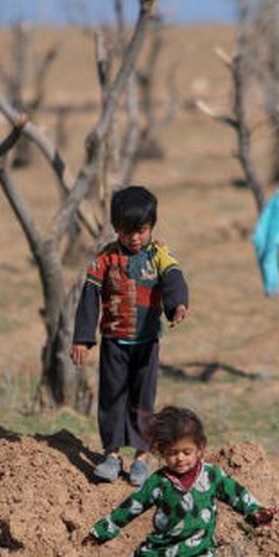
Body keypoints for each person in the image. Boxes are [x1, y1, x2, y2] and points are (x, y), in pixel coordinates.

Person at [82, 406, 276, 557]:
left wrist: (256, 512)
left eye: (187, 451)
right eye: (173, 453)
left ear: (200, 448)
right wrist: (101, 532)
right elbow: (130, 508)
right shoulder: (158, 482)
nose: (180, 458)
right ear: (162, 452)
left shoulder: (212, 476)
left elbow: (237, 494)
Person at [72, 185, 190, 486]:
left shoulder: (159, 254)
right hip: (114, 341)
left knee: (143, 400)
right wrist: (83, 339)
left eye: (142, 230)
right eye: (127, 232)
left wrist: (177, 305)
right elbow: (89, 297)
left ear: (151, 227)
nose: (135, 238)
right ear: (116, 229)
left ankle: (140, 457)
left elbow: (174, 279)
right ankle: (111, 454)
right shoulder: (105, 259)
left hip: (147, 343)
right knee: (112, 397)